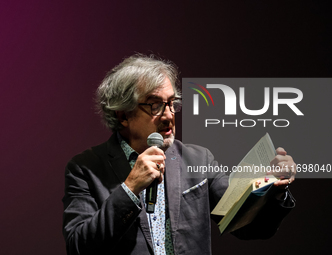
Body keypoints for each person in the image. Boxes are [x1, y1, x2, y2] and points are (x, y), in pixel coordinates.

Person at [62, 54, 296, 255]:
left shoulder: (198, 160)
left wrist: (274, 189)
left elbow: (245, 226)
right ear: (123, 115)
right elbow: (79, 246)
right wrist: (130, 188)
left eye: (172, 103)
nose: (168, 116)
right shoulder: (86, 168)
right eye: (155, 105)